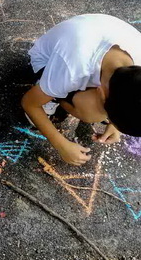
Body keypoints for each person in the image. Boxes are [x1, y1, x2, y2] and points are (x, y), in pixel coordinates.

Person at [22, 14, 141, 166]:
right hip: (47, 60)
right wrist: (62, 145)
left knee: (101, 111)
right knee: (92, 113)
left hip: (91, 44)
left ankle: (58, 90)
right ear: (101, 93)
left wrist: (115, 123)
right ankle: (50, 95)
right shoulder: (73, 68)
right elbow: (29, 103)